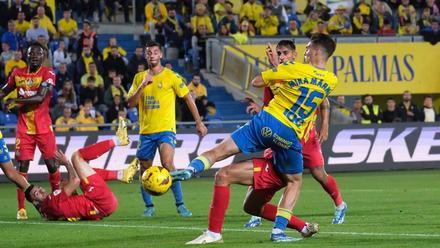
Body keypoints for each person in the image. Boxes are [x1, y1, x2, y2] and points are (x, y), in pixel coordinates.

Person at [173, 34, 338, 243]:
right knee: (295, 181)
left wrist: (276, 68)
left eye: (306, 49)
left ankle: (191, 169)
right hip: (288, 136)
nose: (304, 53)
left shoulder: (293, 69)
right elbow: (307, 94)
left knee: (220, 151)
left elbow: (257, 81)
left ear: (314, 51)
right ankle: (278, 231)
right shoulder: (332, 80)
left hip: (266, 122)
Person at [243, 39, 347, 230]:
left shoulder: (304, 72)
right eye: (279, 53)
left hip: (306, 136)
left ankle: (340, 204)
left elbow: (324, 102)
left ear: (294, 55)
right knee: (266, 170)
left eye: (285, 53)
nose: (281, 57)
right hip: (282, 134)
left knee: (318, 174)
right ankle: (257, 213)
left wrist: (325, 125)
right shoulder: (274, 77)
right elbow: (271, 107)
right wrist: (260, 110)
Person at [127, 41, 208, 217]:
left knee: (168, 164)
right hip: (146, 131)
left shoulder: (171, 76)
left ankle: (180, 205)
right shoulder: (139, 78)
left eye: (155, 52)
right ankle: (149, 206)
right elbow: (130, 103)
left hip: (166, 129)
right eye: (149, 52)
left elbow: (188, 98)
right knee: (145, 169)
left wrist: (199, 122)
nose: (152, 55)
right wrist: (142, 86)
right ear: (146, 56)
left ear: (161, 55)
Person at [25, 120, 138, 221]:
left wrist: (65, 187)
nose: (42, 191)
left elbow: (71, 203)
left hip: (99, 208)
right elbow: (75, 181)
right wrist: (66, 163)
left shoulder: (47, 212)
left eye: (40, 188)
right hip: (99, 202)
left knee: (84, 172)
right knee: (76, 157)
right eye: (37, 193)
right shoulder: (50, 202)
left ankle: (122, 174)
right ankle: (118, 139)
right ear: (35, 202)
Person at [0, 42, 60, 220]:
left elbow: (41, 96)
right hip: (24, 128)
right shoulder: (17, 73)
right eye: (31, 53)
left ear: (44, 57)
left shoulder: (48, 73)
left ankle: (56, 199)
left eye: (38, 53)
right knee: (22, 167)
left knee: (52, 165)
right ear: (26, 55)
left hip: (43, 127)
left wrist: (17, 102)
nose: (34, 56)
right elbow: (4, 91)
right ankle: (21, 209)